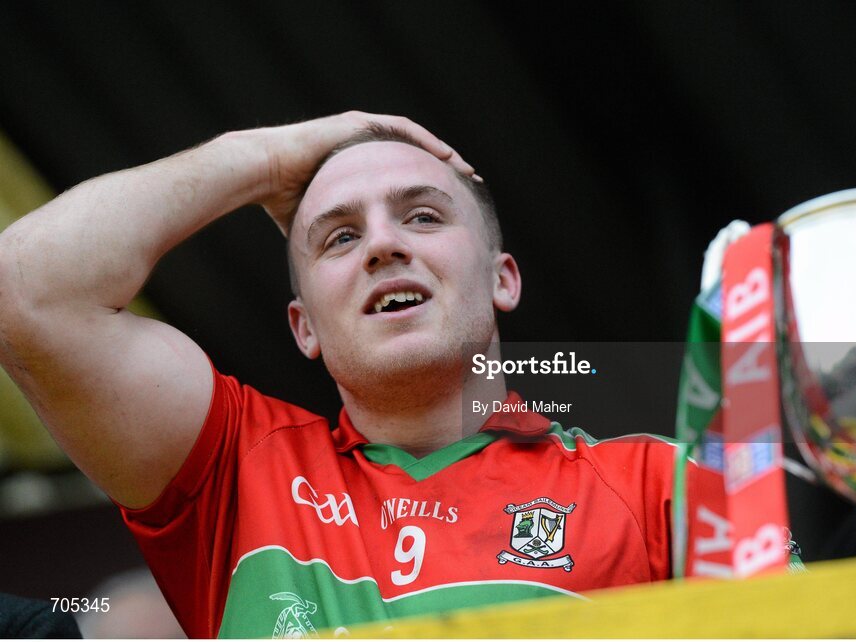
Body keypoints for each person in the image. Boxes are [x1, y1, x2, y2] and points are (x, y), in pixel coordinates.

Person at [0, 112, 691, 638]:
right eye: (340, 236)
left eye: (422, 216)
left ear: (501, 278)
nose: (385, 244)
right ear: (303, 326)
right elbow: (24, 293)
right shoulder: (236, 468)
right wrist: (262, 160)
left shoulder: (660, 484)